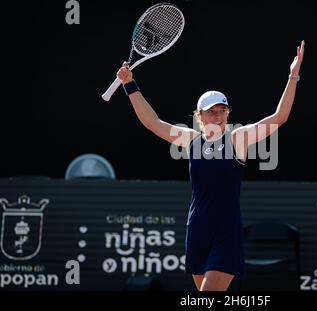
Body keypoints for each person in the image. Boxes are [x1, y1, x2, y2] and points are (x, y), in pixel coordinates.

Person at [116, 41, 305, 291]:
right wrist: (129, 84)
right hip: (197, 231)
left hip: (226, 233)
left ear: (228, 114)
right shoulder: (191, 141)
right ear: (199, 116)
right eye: (211, 111)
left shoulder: (239, 139)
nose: (217, 115)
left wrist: (293, 74)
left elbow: (279, 117)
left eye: (222, 111)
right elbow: (152, 122)